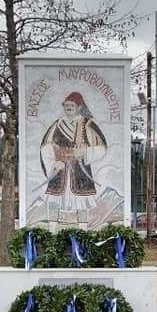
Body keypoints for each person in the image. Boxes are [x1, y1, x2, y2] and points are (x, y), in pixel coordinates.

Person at [39, 92, 108, 224]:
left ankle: (83, 232)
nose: (68, 107)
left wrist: (84, 152)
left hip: (80, 172)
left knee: (82, 204)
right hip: (59, 172)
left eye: (72, 105)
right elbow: (46, 147)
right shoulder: (57, 124)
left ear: (79, 106)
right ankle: (52, 233)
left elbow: (102, 147)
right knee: (54, 202)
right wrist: (53, 163)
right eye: (66, 105)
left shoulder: (87, 124)